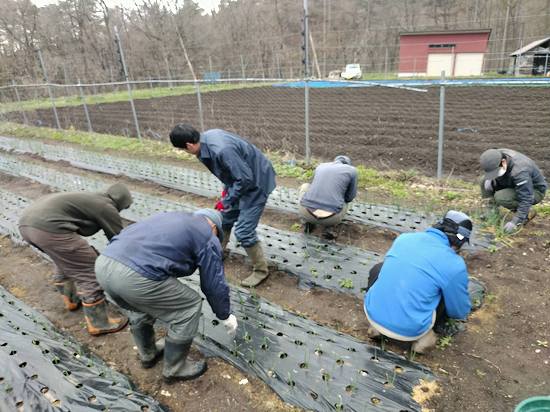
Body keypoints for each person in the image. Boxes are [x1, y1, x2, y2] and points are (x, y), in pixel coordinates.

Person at [95, 209, 238, 383]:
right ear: (214, 226)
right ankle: (175, 369)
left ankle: (148, 354)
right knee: (189, 306)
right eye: (218, 235)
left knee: (140, 305)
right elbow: (213, 283)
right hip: (133, 276)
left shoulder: (170, 217)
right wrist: (225, 314)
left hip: (104, 263)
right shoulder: (207, 234)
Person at [169, 124, 276, 287]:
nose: (186, 152)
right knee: (224, 218)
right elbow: (230, 171)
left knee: (244, 231)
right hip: (240, 180)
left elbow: (245, 179)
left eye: (184, 150)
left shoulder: (221, 150)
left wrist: (227, 200)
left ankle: (261, 270)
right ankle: (219, 251)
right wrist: (227, 194)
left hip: (256, 183)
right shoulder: (205, 142)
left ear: (189, 145)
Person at [18, 184, 133, 336]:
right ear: (121, 202)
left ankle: (71, 300)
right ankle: (99, 323)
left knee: (66, 259)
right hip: (50, 229)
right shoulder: (106, 206)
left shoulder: (92, 198)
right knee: (89, 270)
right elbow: (119, 238)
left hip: (27, 226)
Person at [364, 211, 472, 354]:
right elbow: (458, 311)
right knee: (445, 293)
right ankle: (421, 341)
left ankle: (377, 328)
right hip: (410, 331)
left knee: (380, 268)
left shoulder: (404, 238)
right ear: (459, 242)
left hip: (372, 315)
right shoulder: (454, 264)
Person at [480, 148, 547, 233]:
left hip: (534, 191)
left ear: (503, 162)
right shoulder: (497, 155)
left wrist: (516, 221)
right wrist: (490, 178)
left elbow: (526, 198)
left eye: (495, 172)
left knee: (501, 197)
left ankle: (527, 213)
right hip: (512, 182)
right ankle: (491, 211)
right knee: (483, 180)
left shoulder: (520, 171)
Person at [299, 155, 358, 239]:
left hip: (306, 212)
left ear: (334, 161)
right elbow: (350, 198)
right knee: (344, 197)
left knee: (305, 186)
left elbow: (312, 185)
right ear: (348, 164)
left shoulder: (320, 166)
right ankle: (329, 228)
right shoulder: (352, 170)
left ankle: (307, 222)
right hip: (331, 219)